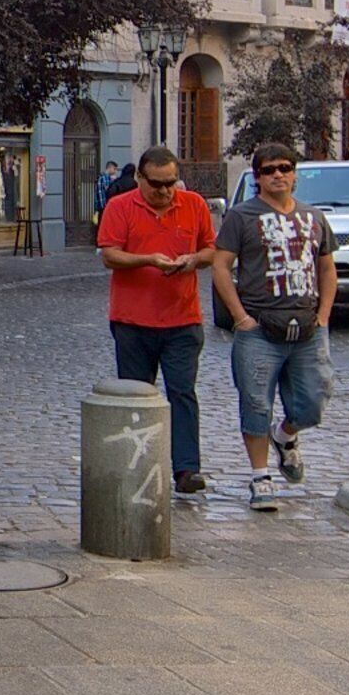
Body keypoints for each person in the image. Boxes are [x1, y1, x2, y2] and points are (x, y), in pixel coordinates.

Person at [211, 142, 338, 504]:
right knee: (255, 402)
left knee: (314, 401)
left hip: (309, 329)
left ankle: (285, 436)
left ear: (295, 174)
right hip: (259, 329)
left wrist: (324, 316)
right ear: (257, 177)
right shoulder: (241, 217)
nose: (278, 174)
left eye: (284, 167)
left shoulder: (314, 217)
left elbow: (327, 267)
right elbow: (221, 267)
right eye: (269, 170)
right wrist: (240, 317)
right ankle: (260, 476)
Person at [94, 144, 218, 495]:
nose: (165, 191)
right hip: (132, 322)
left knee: (181, 392)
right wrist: (149, 259)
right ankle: (139, 466)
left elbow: (212, 249)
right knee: (136, 396)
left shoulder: (193, 204)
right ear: (139, 178)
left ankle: (186, 469)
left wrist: (193, 260)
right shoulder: (120, 207)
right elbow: (110, 255)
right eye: (157, 184)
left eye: (171, 183)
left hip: (182, 320)